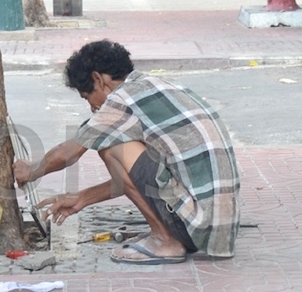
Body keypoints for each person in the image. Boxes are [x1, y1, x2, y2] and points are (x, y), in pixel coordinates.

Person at [14, 40, 240, 264]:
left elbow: (69, 152)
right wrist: (82, 198)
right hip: (217, 228)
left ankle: (165, 240)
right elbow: (136, 178)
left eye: (87, 97)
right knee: (115, 143)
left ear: (98, 79)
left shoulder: (121, 100)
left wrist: (31, 171)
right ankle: (166, 234)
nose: (92, 107)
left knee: (110, 146)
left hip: (198, 225)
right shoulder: (151, 85)